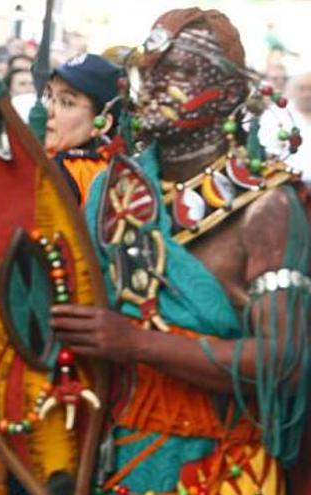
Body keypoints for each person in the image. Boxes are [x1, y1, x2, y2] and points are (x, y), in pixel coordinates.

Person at [50, 9, 311, 494]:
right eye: (146, 69)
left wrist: (135, 343)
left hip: (227, 470)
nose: (155, 83)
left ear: (234, 92)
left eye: (182, 71)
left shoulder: (268, 206)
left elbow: (287, 361)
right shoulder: (113, 190)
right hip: (117, 461)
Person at [42, 53, 121, 204]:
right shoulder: (115, 169)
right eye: (48, 95)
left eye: (67, 102)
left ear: (102, 123)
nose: (48, 110)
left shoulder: (63, 173)